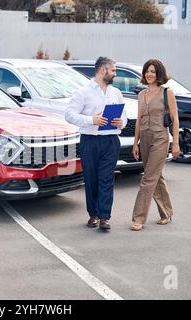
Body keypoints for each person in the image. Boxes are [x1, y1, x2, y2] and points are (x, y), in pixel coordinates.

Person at [65, 56, 127, 230]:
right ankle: (93, 214)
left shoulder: (116, 93)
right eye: (113, 70)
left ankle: (104, 217)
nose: (115, 74)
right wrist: (91, 120)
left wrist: (121, 122)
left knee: (107, 178)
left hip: (111, 141)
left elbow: (124, 116)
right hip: (89, 142)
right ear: (103, 70)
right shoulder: (83, 92)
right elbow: (69, 114)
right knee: (92, 179)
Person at [131, 59, 180, 231]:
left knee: (148, 178)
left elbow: (175, 120)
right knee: (156, 177)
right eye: (147, 71)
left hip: (160, 138)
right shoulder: (141, 95)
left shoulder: (167, 93)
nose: (149, 74)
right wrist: (135, 143)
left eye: (152, 71)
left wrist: (176, 144)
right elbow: (139, 120)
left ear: (159, 73)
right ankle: (166, 212)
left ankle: (139, 218)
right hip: (144, 138)